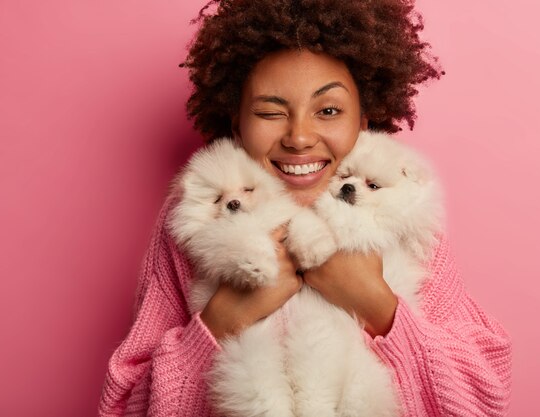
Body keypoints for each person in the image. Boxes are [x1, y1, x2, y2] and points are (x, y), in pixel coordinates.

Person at [98, 0, 512, 416]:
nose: (299, 137)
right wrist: (219, 322)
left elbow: (481, 399)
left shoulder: (397, 213)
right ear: (235, 120)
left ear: (364, 117)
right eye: (270, 112)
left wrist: (377, 305)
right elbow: (125, 405)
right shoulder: (202, 215)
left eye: (328, 110)